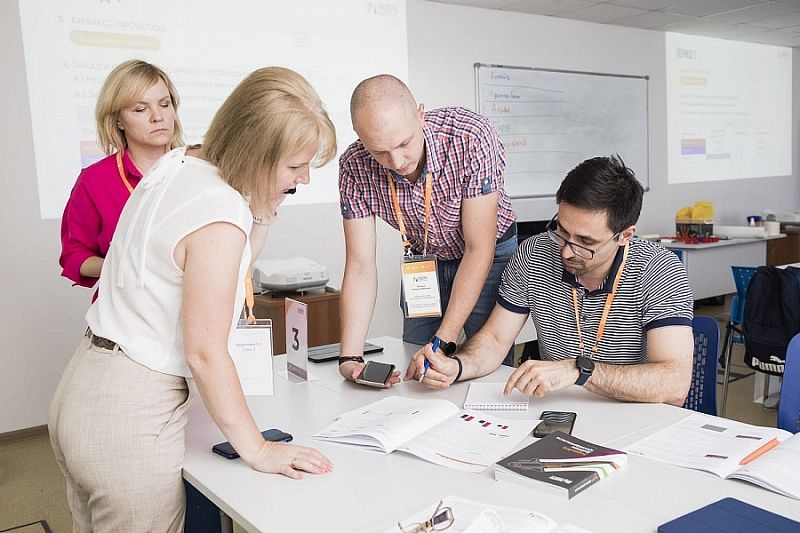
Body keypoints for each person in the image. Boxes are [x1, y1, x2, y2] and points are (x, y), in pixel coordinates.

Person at [48, 67, 337, 532]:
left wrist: (265, 206)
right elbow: (205, 352)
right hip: (130, 411)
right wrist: (258, 448)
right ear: (257, 152)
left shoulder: (179, 163)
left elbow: (227, 265)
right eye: (294, 166)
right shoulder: (219, 215)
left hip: (84, 389)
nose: (303, 178)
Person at [406, 155, 694, 407]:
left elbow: (675, 385)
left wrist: (579, 371)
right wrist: (457, 366)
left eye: (585, 242)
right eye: (562, 231)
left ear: (625, 236)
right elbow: (495, 339)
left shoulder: (659, 270)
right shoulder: (534, 254)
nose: (566, 251)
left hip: (632, 415)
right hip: (555, 411)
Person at [337, 74, 517, 385]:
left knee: (482, 362)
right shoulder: (353, 165)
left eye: (404, 143)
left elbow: (479, 248)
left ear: (420, 115)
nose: (396, 161)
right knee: (416, 363)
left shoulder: (470, 136)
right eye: (379, 151)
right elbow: (360, 265)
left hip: (489, 254)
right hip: (425, 260)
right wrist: (350, 356)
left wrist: (442, 341)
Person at [59, 59, 184, 291]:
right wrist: (120, 264)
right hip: (124, 308)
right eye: (141, 109)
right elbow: (74, 256)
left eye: (164, 104)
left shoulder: (197, 170)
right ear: (118, 120)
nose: (157, 116)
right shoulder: (94, 180)